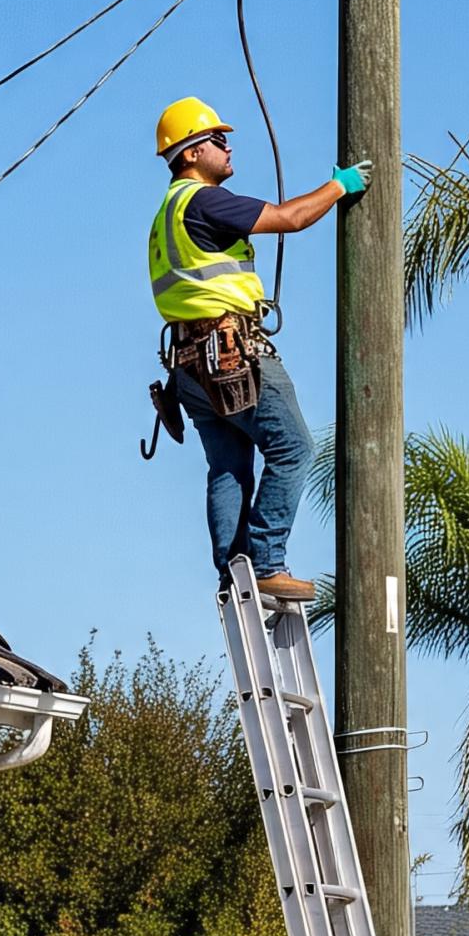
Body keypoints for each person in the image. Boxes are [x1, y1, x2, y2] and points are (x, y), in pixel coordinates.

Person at [149, 96, 371, 601]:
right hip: (232, 356)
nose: (227, 147)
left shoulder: (166, 214)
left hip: (190, 368)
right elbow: (290, 218)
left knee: (228, 467)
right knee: (294, 448)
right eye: (215, 140)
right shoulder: (202, 201)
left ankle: (235, 573)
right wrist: (340, 185)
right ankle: (267, 563)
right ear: (188, 154)